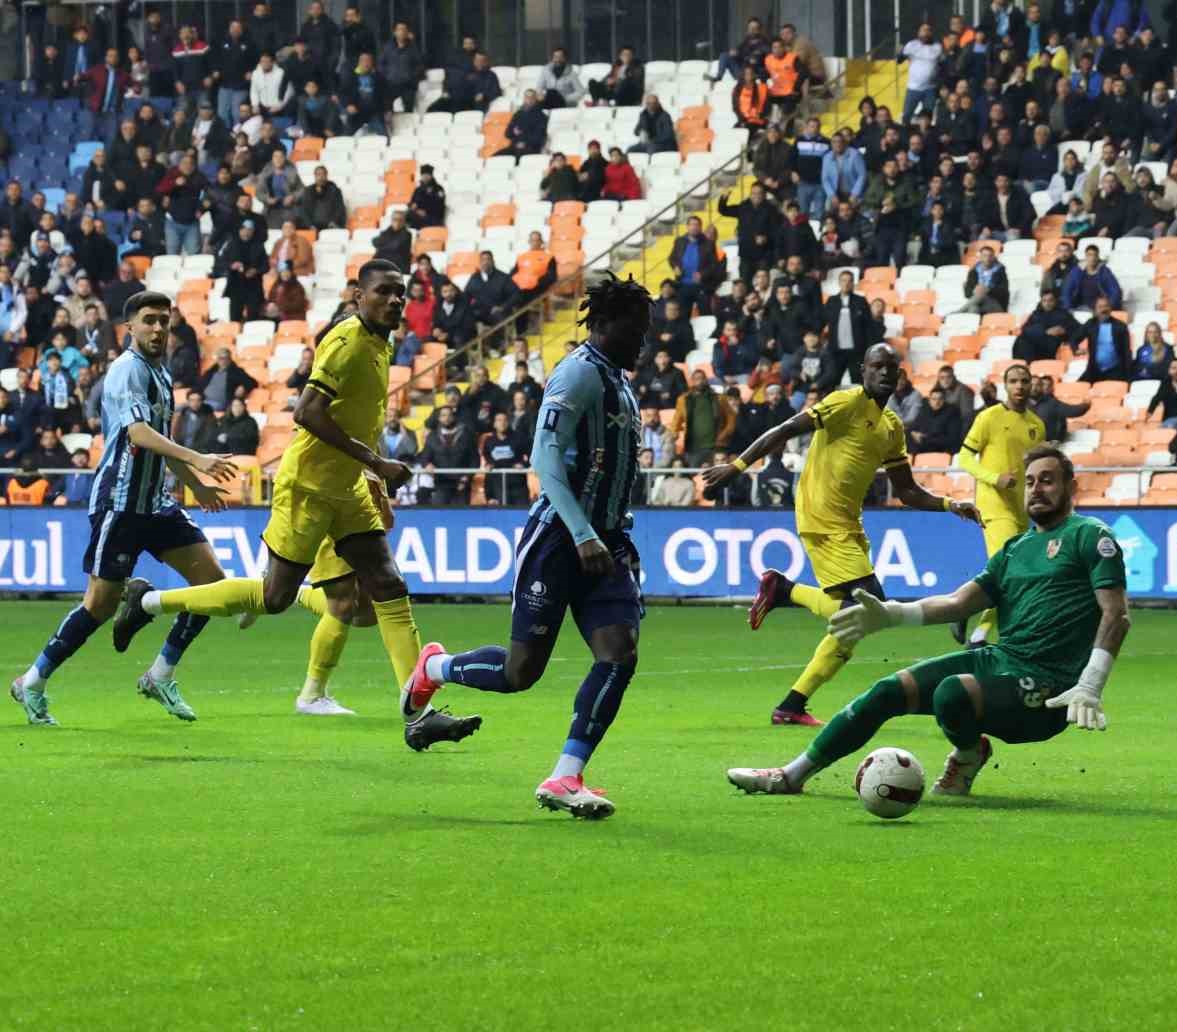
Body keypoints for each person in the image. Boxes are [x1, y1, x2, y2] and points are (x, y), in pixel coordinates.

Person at [111, 261, 479, 752]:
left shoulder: (382, 342)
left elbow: (362, 419)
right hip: (306, 487)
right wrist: (377, 462)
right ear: (356, 295)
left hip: (346, 488)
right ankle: (149, 601)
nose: (395, 301)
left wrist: (373, 479)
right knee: (276, 596)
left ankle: (419, 712)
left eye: (401, 294)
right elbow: (306, 412)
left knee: (388, 584)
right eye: (384, 293)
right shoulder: (345, 342)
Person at [727, 444, 1128, 798]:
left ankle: (968, 755)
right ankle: (790, 776)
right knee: (886, 691)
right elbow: (958, 602)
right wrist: (891, 614)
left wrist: (1090, 683)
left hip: (1050, 687)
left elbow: (1116, 615)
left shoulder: (1090, 536)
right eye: (1030, 482)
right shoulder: (1015, 548)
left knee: (952, 693)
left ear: (1070, 486)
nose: (1037, 489)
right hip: (1000, 660)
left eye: (1048, 481)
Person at [399, 276, 652, 818]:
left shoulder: (621, 382)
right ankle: (434, 669)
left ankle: (565, 776)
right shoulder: (579, 373)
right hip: (561, 537)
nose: (643, 342)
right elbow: (545, 459)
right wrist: (582, 532)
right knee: (521, 674)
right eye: (636, 330)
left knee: (619, 655)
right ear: (604, 324)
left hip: (607, 541)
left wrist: (606, 534)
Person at [704, 344, 982, 726]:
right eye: (877, 366)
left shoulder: (891, 427)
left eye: (891, 368)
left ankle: (784, 596)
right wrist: (737, 467)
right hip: (821, 515)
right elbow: (785, 429)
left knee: (858, 614)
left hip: (849, 522)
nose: (884, 373)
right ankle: (791, 701)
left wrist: (952, 505)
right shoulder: (844, 402)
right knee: (868, 610)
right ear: (863, 370)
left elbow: (907, 491)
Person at [10, 292, 240, 727]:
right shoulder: (125, 372)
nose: (158, 329)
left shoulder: (162, 373)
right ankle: (32, 682)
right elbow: (138, 433)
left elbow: (159, 441)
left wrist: (194, 485)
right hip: (119, 504)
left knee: (211, 587)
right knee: (98, 606)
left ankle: (160, 674)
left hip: (157, 503)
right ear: (129, 327)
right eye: (149, 321)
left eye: (164, 322)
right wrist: (198, 458)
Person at [956, 363, 1046, 648]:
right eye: (1014, 381)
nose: (1019, 386)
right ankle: (980, 635)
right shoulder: (989, 418)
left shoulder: (1036, 425)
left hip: (1021, 510)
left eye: (1024, 381)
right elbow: (965, 457)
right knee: (1010, 569)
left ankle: (962, 607)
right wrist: (994, 478)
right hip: (993, 506)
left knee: (1003, 571)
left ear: (1031, 385)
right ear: (1005, 386)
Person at [1079, 297, 1134, 383]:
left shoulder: (1120, 326)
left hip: (1115, 371)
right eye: (1100, 307)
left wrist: (1128, 375)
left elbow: (1127, 352)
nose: (1103, 309)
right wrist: (1075, 349)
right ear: (1095, 310)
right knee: (1078, 388)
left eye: (1106, 306)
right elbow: (1075, 338)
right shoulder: (1090, 324)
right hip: (1094, 370)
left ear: (1110, 308)